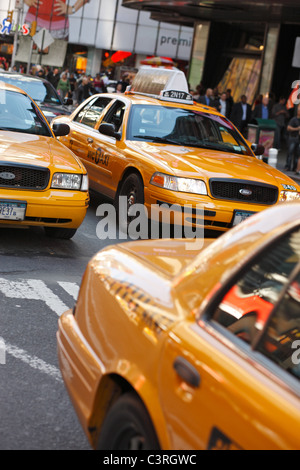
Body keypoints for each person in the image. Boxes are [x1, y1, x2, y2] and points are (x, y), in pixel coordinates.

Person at [24, 0, 90, 41]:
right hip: (32, 23)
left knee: (52, 62)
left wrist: (73, 9)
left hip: (58, 30)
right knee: (24, 60)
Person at [285, 105, 300, 172]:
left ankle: (295, 168)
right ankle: (288, 166)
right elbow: (288, 128)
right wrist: (297, 129)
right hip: (292, 138)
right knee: (290, 153)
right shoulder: (294, 119)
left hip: (298, 139)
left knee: (297, 154)